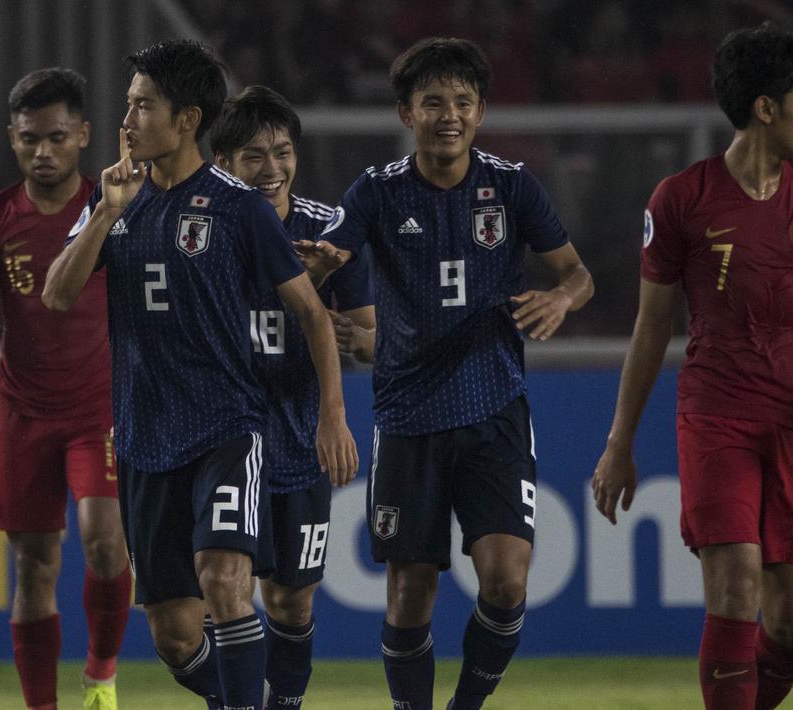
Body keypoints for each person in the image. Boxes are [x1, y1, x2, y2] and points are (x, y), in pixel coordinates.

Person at [591, 23, 793, 710]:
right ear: (765, 108)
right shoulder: (680, 198)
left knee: (791, 624)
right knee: (735, 584)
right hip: (716, 416)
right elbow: (651, 328)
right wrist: (619, 444)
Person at [41, 40, 358, 710]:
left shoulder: (238, 206)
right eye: (129, 104)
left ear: (185, 119)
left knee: (224, 580)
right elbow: (56, 294)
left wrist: (333, 414)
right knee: (174, 635)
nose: (127, 119)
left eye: (141, 105)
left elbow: (311, 313)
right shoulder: (112, 199)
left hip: (227, 429)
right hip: (144, 438)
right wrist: (104, 212)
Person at [320, 37, 594, 710]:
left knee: (505, 583)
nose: (449, 114)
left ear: (480, 111)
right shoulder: (376, 193)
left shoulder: (510, 186)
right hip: (408, 417)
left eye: (462, 101)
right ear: (406, 113)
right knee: (411, 590)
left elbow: (578, 275)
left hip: (493, 408)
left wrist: (560, 298)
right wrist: (315, 272)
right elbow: (327, 257)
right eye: (432, 101)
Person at [0, 68, 130, 710]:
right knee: (34, 566)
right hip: (25, 411)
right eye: (30, 139)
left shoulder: (112, 210)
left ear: (83, 135)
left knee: (104, 537)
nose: (43, 151)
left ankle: (102, 674)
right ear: (13, 137)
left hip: (101, 407)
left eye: (57, 137)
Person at [209, 84, 375, 707]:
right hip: (221, 439)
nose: (272, 168)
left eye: (283, 152)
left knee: (290, 599)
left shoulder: (328, 230)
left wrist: (338, 326)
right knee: (221, 586)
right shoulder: (206, 228)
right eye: (254, 155)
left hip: (296, 439)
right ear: (223, 160)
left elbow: (375, 344)